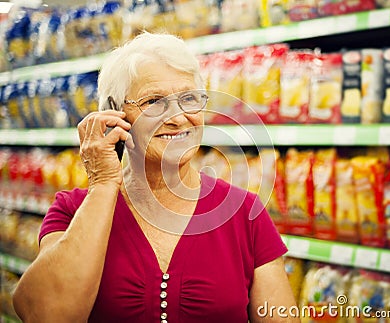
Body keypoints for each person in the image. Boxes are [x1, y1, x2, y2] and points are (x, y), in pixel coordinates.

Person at [13, 32, 299, 323]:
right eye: (154, 102)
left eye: (189, 98)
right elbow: (45, 314)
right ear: (114, 112)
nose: (177, 118)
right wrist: (103, 183)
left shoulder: (244, 213)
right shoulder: (72, 211)